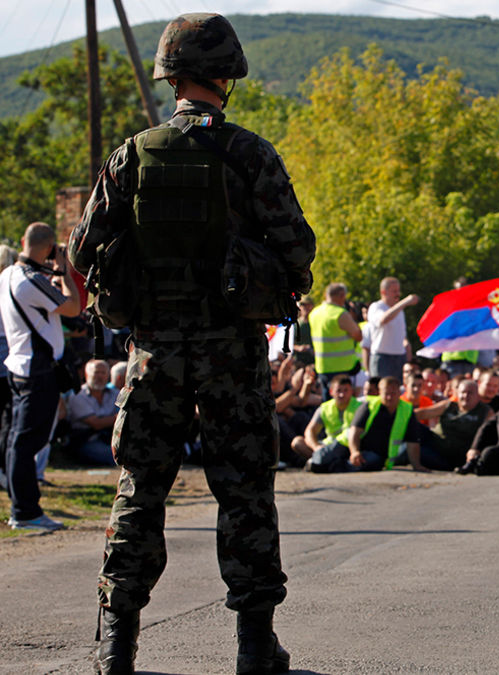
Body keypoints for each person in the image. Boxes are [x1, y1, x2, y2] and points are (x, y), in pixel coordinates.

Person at [69, 13, 316, 674]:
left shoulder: (133, 154)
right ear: (226, 76)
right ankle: (254, 646)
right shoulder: (249, 153)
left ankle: (116, 645)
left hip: (152, 355)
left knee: (139, 490)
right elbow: (298, 247)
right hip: (231, 354)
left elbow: (81, 249)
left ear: (170, 75)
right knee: (245, 492)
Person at [1, 222, 82, 531]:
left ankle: (22, 507)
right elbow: (73, 308)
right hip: (37, 370)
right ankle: (25, 511)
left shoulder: (8, 274)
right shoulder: (31, 279)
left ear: (23, 240)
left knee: (15, 440)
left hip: (19, 366)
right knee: (26, 442)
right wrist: (66, 273)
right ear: (49, 248)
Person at [308, 376, 421, 473]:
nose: (389, 397)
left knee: (370, 462)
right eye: (386, 394)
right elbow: (354, 432)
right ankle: (314, 461)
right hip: (348, 443)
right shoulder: (369, 405)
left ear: (399, 393)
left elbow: (412, 442)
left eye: (393, 393)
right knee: (319, 462)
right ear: (379, 393)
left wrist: (417, 466)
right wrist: (355, 451)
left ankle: (337, 466)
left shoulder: (406, 410)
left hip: (374, 454)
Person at [291, 374, 360, 461]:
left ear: (351, 391)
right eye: (338, 390)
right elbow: (310, 431)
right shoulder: (325, 408)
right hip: (328, 445)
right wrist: (316, 447)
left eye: (346, 390)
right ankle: (322, 460)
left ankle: (323, 461)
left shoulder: (359, 406)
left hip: (348, 445)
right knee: (297, 442)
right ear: (331, 392)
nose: (342, 394)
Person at [430, 378, 493, 470]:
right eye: (463, 392)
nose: (466, 396)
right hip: (438, 448)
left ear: (477, 395)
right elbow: (420, 414)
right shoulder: (449, 406)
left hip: (462, 455)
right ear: (457, 393)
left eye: (470, 393)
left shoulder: (485, 412)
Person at [66, 359, 119, 466]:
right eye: (96, 372)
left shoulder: (115, 394)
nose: (99, 376)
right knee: (116, 455)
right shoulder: (78, 395)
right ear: (86, 374)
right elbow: (96, 424)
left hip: (111, 438)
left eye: (103, 373)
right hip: (86, 441)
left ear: (108, 375)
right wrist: (119, 418)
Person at [310, 283, 362, 391]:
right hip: (342, 367)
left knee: (328, 404)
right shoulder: (340, 314)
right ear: (342, 295)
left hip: (322, 366)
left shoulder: (314, 313)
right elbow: (358, 336)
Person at [366, 276, 418, 379]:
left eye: (398, 291)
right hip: (382, 357)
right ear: (383, 292)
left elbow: (401, 334)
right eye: (394, 291)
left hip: (399, 357)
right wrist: (405, 302)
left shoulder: (399, 311)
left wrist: (407, 346)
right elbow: (384, 319)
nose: (398, 294)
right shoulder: (376, 307)